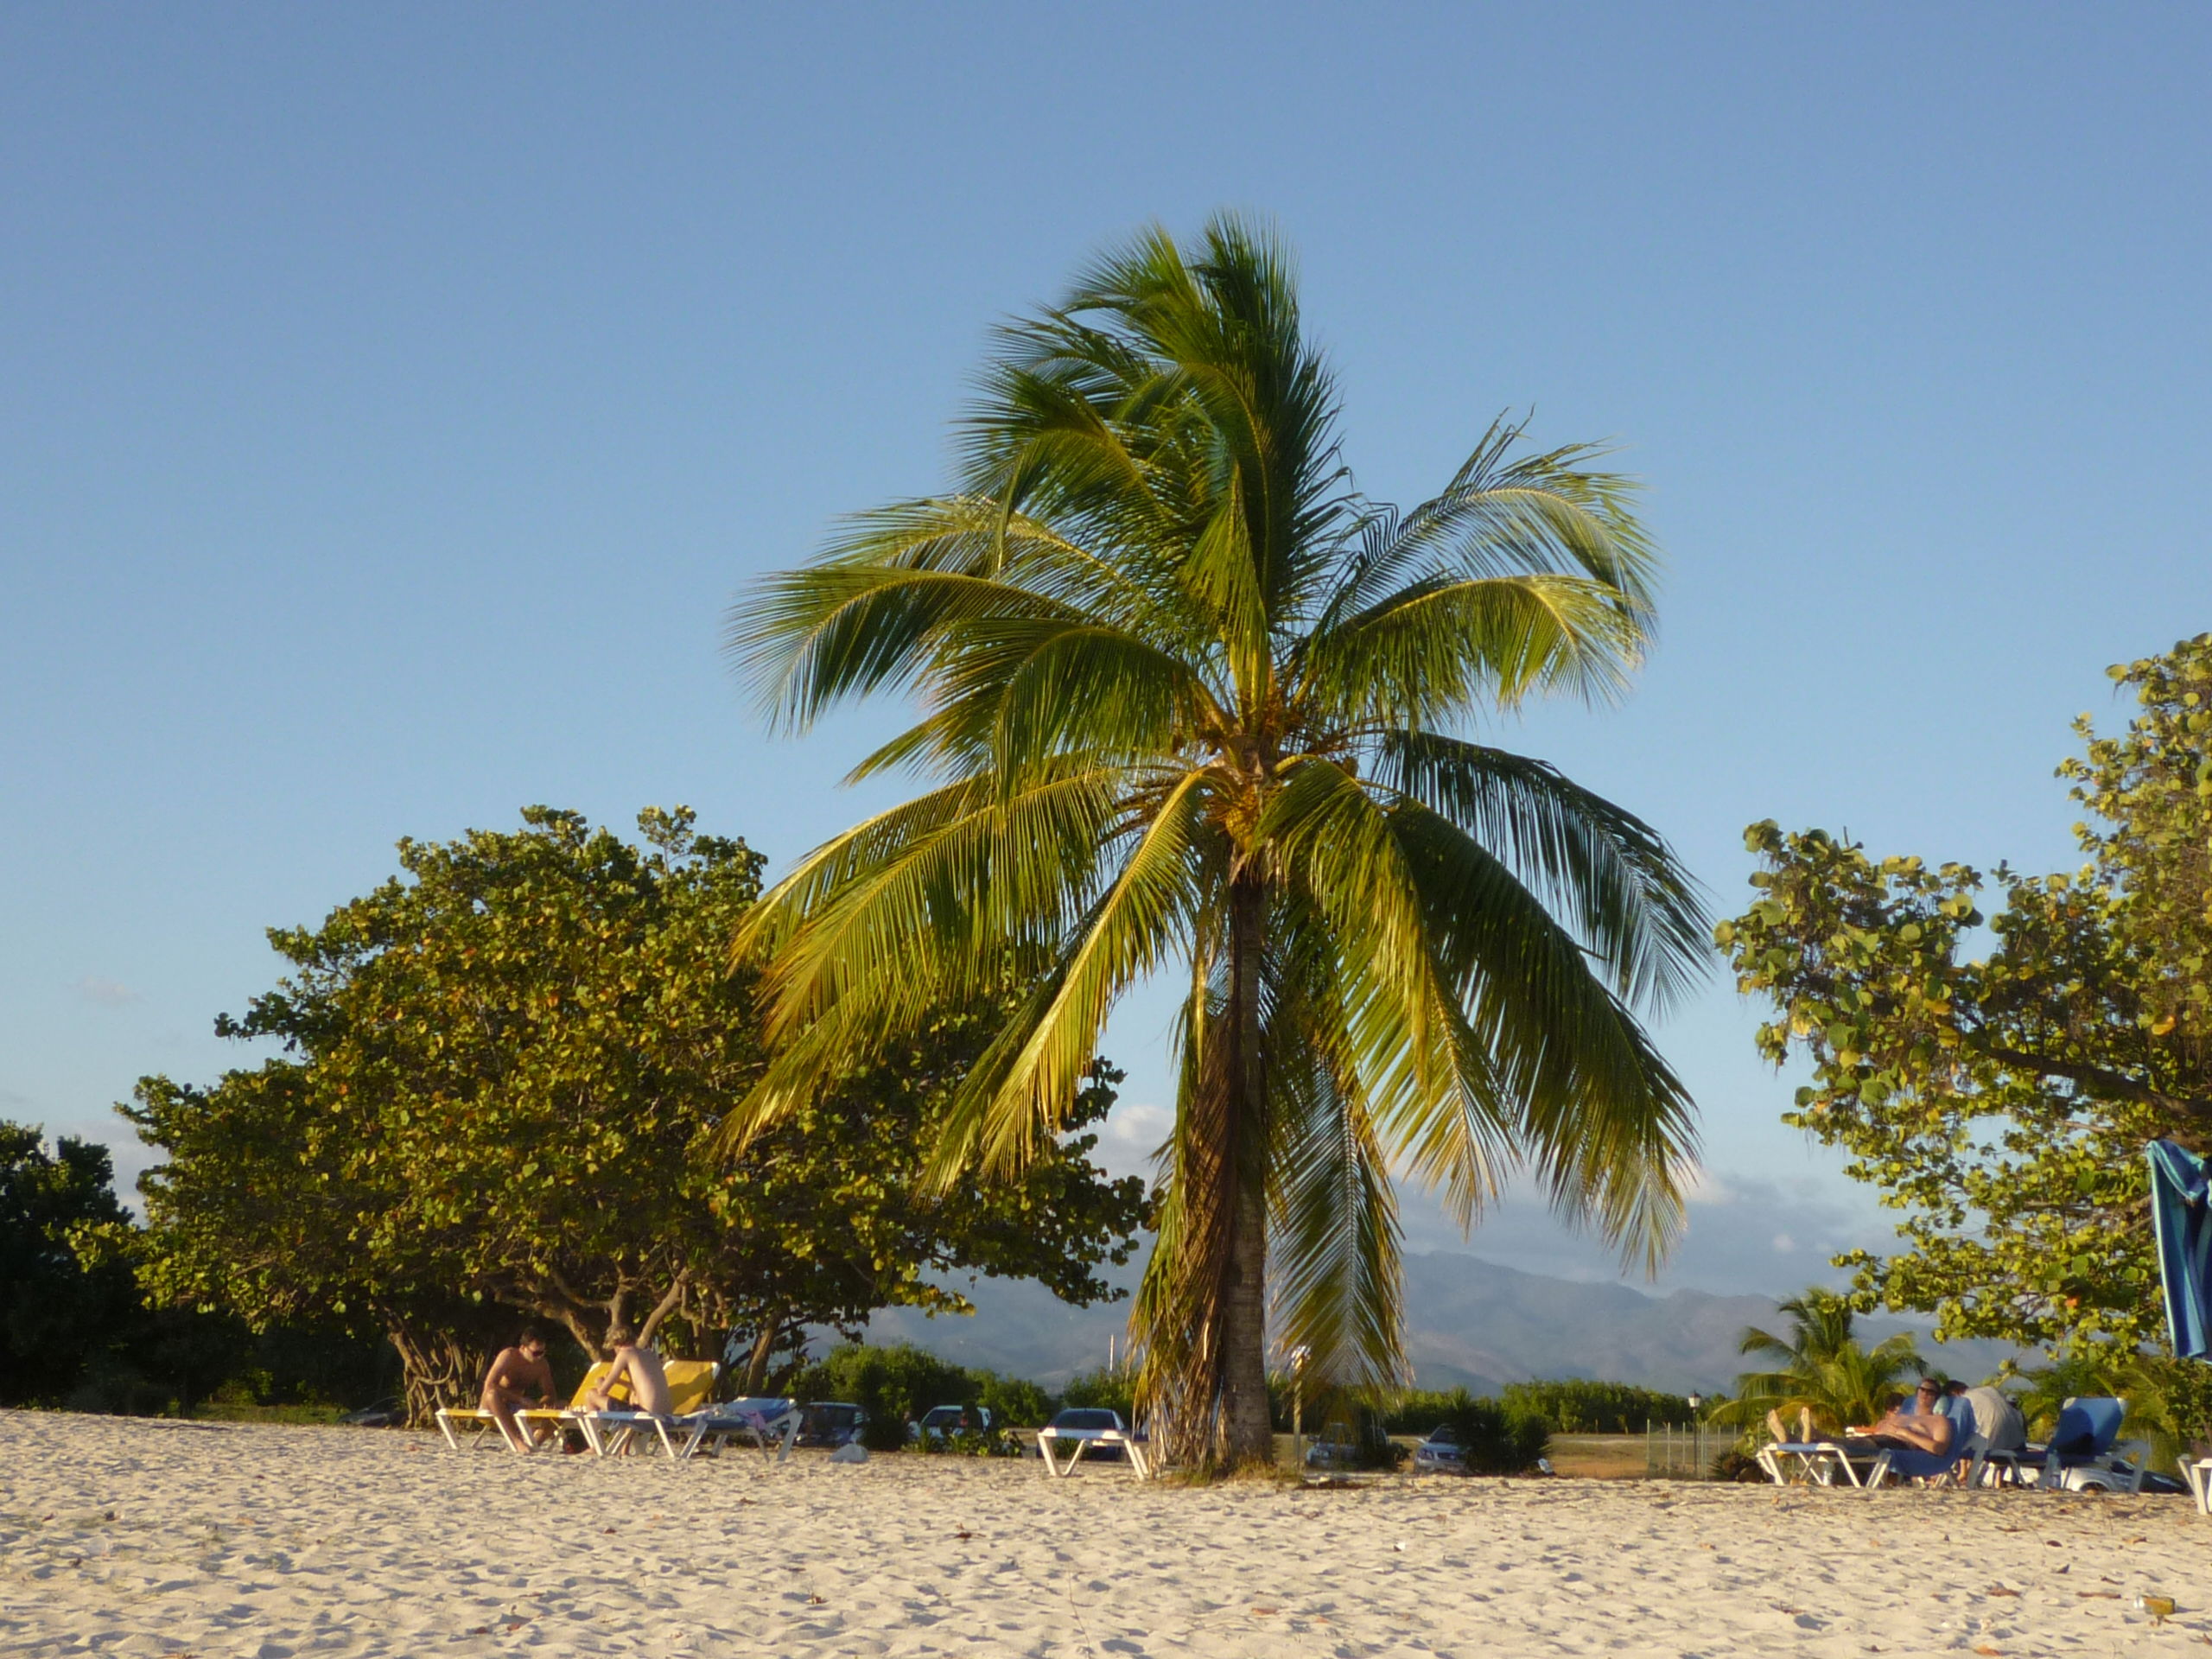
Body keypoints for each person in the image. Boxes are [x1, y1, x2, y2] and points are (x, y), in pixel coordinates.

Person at [479, 1327, 558, 1452]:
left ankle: (535, 1443)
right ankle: (516, 1441)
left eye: (542, 1352)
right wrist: (521, 1400)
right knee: (491, 1394)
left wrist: (543, 1404)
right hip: (496, 1404)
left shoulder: (541, 1365)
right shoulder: (509, 1356)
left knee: (561, 1405)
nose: (539, 1356)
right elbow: (489, 1385)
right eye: (535, 1353)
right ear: (523, 1348)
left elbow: (550, 1393)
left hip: (517, 1407)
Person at [582, 1324, 673, 1416]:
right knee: (632, 1398)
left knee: (590, 1395)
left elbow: (602, 1391)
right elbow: (638, 1390)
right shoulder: (649, 1354)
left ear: (615, 1344)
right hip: (666, 1418)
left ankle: (596, 1430)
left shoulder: (625, 1353)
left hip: (646, 1418)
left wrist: (600, 1382)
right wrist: (620, 1382)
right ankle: (604, 1429)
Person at [1947, 1377, 2026, 1452]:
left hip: (1991, 1446)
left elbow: (1959, 1429)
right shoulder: (1990, 1389)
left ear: (1954, 1393)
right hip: (2017, 1445)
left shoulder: (1963, 1400)